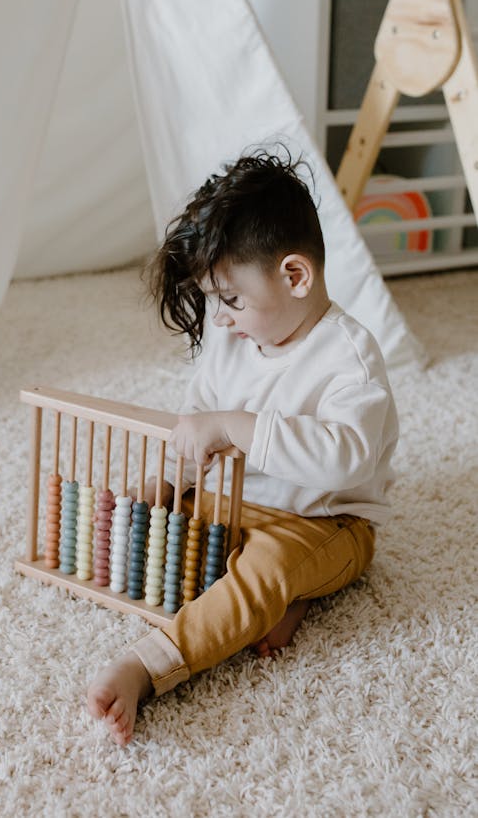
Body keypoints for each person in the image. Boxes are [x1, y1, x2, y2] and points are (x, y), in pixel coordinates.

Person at [87, 150, 398, 746]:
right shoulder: (229, 342)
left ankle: (148, 666)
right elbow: (196, 432)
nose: (221, 319)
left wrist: (238, 425)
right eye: (214, 298)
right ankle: (286, 600)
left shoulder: (349, 359)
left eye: (232, 300)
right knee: (165, 534)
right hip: (231, 501)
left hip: (323, 520)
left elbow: (347, 457)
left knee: (266, 570)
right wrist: (170, 480)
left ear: (296, 276)